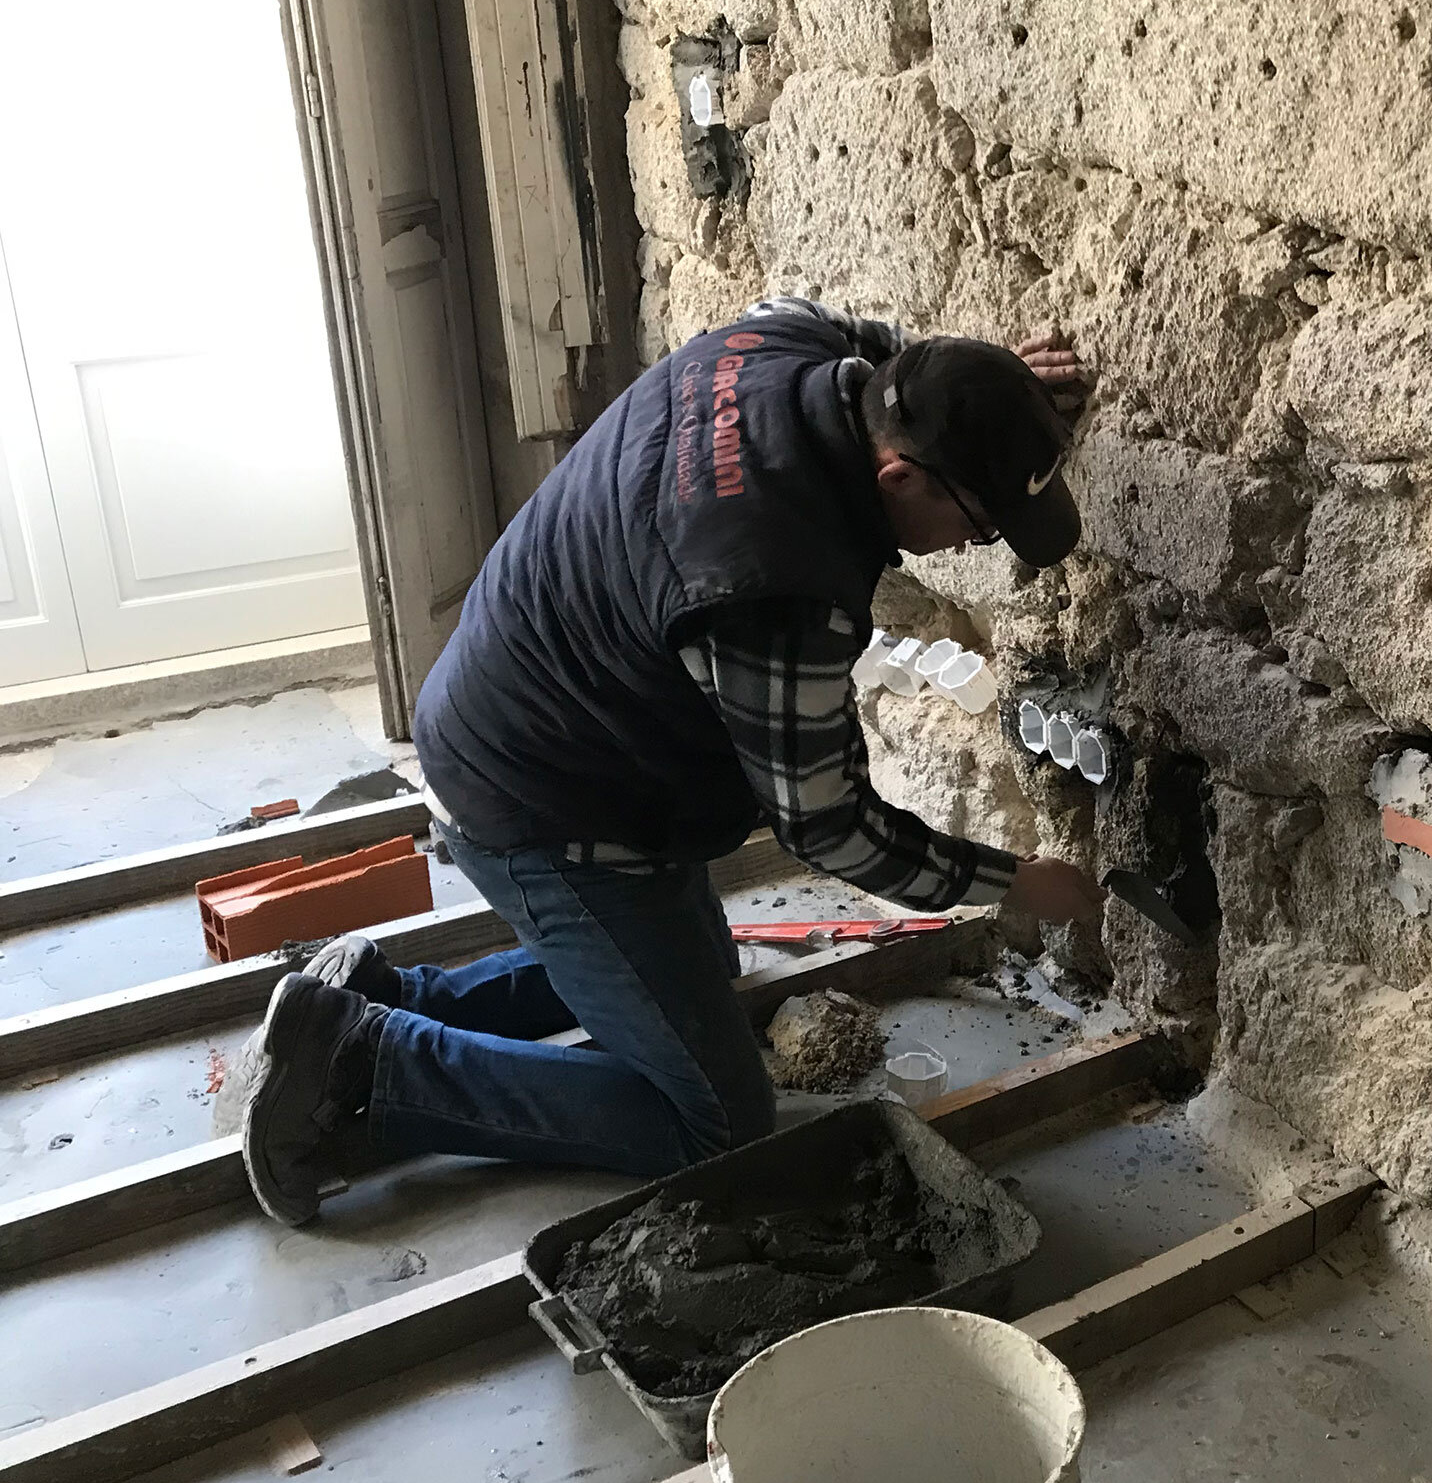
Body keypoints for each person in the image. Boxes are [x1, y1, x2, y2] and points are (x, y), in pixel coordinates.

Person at [227, 299, 1104, 1226]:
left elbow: (902, 361)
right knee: (717, 1120)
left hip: (528, 707)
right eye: (979, 522)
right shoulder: (777, 590)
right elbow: (831, 828)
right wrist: (1014, 883)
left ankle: (380, 998)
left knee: (706, 963)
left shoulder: (785, 340)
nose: (977, 543)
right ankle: (369, 1069)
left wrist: (990, 392)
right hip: (543, 805)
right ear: (896, 474)